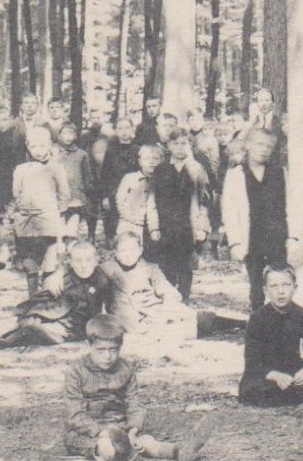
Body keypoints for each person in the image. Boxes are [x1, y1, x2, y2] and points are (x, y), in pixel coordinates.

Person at [64, 315, 209, 461]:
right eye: (101, 350)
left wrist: (132, 430)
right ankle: (120, 455)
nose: (108, 356)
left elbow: (134, 402)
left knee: (147, 442)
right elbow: (75, 414)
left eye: (113, 350)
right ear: (89, 345)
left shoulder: (127, 368)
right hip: (89, 431)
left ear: (121, 346)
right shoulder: (76, 371)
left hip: (123, 428)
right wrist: (103, 433)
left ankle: (179, 451)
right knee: (102, 446)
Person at [238, 265, 303, 406]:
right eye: (274, 286)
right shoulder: (257, 319)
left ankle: (295, 394)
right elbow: (252, 360)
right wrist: (275, 376)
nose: (281, 291)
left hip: (293, 370)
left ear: (295, 288)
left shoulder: (301, 314)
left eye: (286, 285)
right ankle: (297, 395)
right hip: (267, 373)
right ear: (265, 290)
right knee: (255, 389)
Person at [222, 127, 288, 311]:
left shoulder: (279, 173)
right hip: (251, 237)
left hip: (277, 235)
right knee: (256, 284)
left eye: (269, 146)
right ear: (248, 145)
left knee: (279, 280)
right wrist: (235, 242)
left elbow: (288, 205)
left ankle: (280, 320)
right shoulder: (236, 174)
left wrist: (292, 237)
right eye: (260, 144)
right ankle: (258, 320)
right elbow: (230, 211)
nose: (264, 149)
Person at [108, 232, 195, 356]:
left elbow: (167, 290)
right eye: (123, 250)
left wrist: (168, 305)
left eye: (132, 249)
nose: (128, 254)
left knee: (187, 316)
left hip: (155, 311)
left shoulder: (150, 268)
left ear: (140, 251)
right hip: (131, 316)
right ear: (115, 253)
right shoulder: (108, 270)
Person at [8, 126, 71, 296]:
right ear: (27, 146)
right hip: (27, 224)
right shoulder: (21, 169)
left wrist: (55, 212)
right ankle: (32, 299)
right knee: (30, 264)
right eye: (34, 146)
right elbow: (16, 193)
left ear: (50, 145)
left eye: (42, 146)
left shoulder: (56, 168)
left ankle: (48, 298)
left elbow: (64, 195)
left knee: (50, 262)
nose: (38, 151)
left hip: (48, 221)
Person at [151, 130, 209, 300]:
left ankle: (184, 301)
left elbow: (204, 200)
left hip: (188, 228)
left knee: (185, 268)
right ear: (169, 146)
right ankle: (168, 304)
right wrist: (154, 227)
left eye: (184, 143)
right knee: (166, 267)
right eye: (175, 143)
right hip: (166, 227)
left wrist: (201, 227)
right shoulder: (161, 170)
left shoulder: (197, 169)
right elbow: (152, 199)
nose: (180, 147)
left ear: (190, 145)